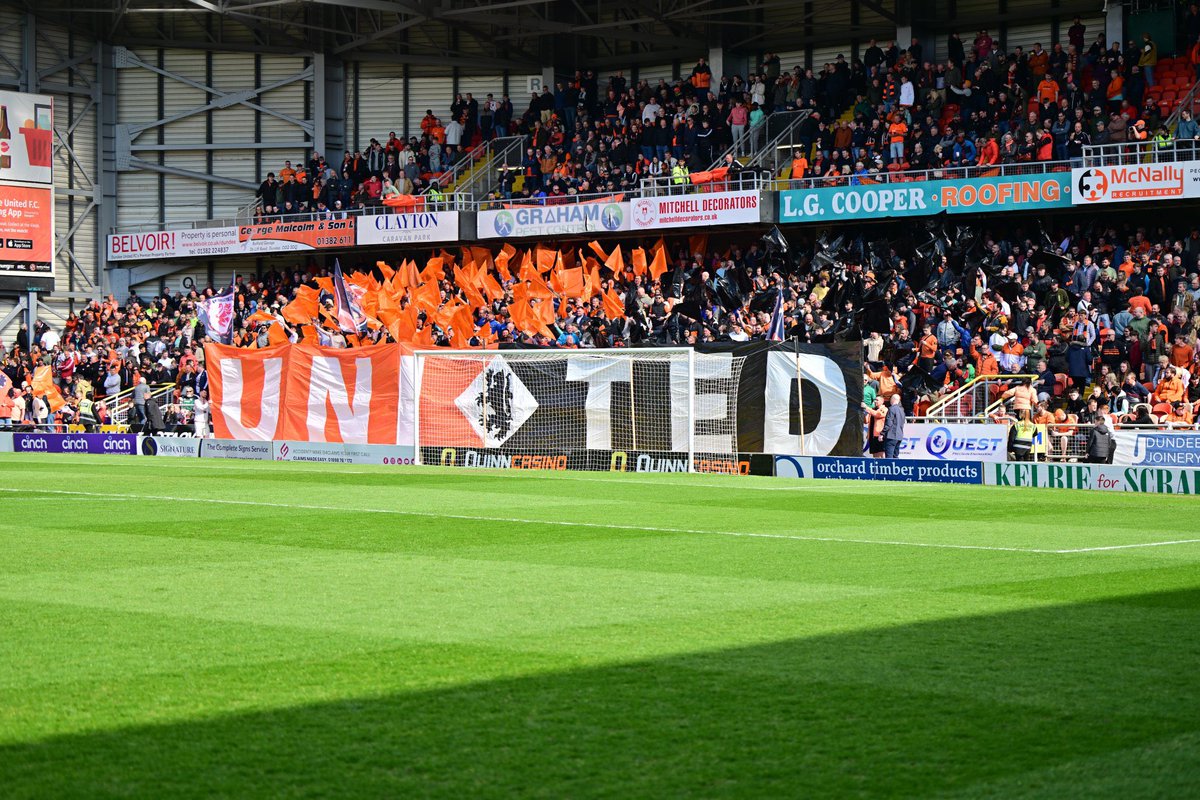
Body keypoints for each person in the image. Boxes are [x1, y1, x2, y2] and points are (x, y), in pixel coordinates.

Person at [883, 393, 906, 458]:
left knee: (889, 457)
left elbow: (889, 423)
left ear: (892, 399)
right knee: (895, 456)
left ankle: (890, 467)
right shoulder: (902, 410)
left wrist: (882, 433)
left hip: (891, 436)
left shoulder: (891, 409)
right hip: (899, 436)